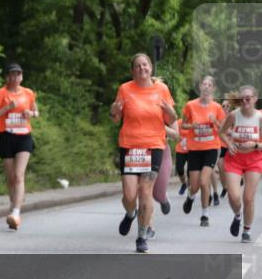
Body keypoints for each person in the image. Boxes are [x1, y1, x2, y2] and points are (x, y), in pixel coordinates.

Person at [110, 53, 177, 253]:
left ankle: (141, 236)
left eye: (145, 64)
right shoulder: (125, 89)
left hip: (154, 145)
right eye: (138, 66)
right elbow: (115, 118)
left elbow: (172, 119)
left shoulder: (162, 89)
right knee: (129, 195)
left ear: (150, 68)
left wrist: (170, 112)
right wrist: (114, 110)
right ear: (133, 71)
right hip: (130, 146)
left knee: (145, 191)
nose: (142, 68)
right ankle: (131, 213)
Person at [0, 63, 38, 230]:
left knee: (18, 175)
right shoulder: (0, 94)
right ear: (7, 77)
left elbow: (36, 112)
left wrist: (31, 114)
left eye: (18, 74)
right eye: (12, 74)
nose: (15, 77)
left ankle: (16, 213)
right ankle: (13, 204)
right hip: (6, 137)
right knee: (10, 179)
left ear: (21, 77)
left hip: (24, 137)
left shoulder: (28, 93)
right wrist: (7, 107)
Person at [180, 76, 225, 226]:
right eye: (204, 84)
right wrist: (192, 126)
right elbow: (183, 125)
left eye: (209, 85)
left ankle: (204, 216)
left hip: (211, 148)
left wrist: (215, 121)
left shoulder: (217, 108)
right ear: (200, 87)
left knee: (204, 181)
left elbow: (223, 128)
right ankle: (191, 197)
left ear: (213, 89)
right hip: (194, 149)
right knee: (195, 186)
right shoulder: (190, 105)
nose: (206, 87)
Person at [219, 85, 261, 244]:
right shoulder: (233, 115)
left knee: (248, 198)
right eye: (242, 99)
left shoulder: (259, 118)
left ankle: (247, 230)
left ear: (255, 99)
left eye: (248, 98)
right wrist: (229, 143)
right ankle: (238, 215)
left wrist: (255, 145)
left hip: (254, 159)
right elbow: (222, 132)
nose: (244, 101)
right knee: (234, 196)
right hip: (235, 158)